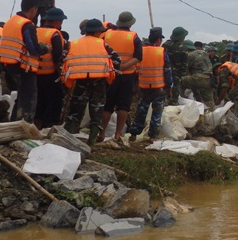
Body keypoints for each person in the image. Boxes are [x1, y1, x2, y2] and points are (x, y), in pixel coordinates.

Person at [62, 19, 120, 146]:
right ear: (98, 31)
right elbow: (117, 60)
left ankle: (65, 139)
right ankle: (91, 142)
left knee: (75, 112)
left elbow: (63, 59)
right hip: (99, 83)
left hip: (81, 81)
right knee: (96, 113)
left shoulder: (74, 44)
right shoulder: (103, 45)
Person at [0, 0, 48, 123]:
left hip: (9, 65)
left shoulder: (10, 22)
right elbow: (33, 49)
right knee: (28, 99)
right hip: (24, 66)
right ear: (33, 10)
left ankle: (14, 124)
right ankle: (24, 127)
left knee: (20, 98)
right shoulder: (27, 25)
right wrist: (45, 48)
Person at [99, 11, 143, 141]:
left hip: (110, 74)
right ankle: (118, 134)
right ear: (130, 24)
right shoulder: (134, 37)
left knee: (107, 105)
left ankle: (101, 133)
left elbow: (101, 52)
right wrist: (124, 66)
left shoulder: (107, 35)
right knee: (123, 106)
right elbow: (138, 57)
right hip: (127, 75)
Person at [129, 27, 173, 143]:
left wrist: (135, 86)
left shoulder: (141, 51)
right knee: (157, 112)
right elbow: (167, 71)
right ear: (159, 39)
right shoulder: (162, 52)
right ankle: (153, 136)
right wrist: (169, 88)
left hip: (143, 86)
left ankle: (133, 133)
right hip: (159, 87)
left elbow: (136, 70)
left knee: (141, 110)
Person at [34, 7, 68, 129]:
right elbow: (57, 55)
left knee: (40, 100)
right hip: (50, 73)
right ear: (57, 21)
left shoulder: (36, 31)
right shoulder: (54, 34)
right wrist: (60, 72)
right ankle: (50, 125)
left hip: (35, 72)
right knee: (54, 100)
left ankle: (37, 125)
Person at [181, 39, 214, 110]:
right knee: (208, 100)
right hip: (209, 79)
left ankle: (180, 101)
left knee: (179, 81)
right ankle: (211, 115)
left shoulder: (189, 55)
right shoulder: (204, 53)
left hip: (198, 78)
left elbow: (184, 70)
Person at [163, 26, 189, 105]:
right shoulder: (183, 49)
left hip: (163, 73)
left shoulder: (165, 45)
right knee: (174, 95)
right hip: (176, 75)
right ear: (181, 37)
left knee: (163, 93)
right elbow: (185, 65)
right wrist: (181, 74)